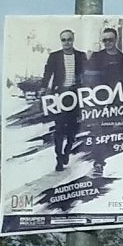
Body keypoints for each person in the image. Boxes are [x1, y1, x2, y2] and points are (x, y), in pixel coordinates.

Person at [40, 28, 83, 171]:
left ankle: (67, 151)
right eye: (64, 40)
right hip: (59, 97)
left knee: (72, 129)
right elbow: (48, 73)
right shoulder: (54, 56)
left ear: (73, 40)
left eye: (69, 39)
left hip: (75, 97)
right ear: (61, 41)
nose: (67, 42)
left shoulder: (81, 56)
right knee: (58, 129)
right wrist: (43, 87)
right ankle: (59, 158)